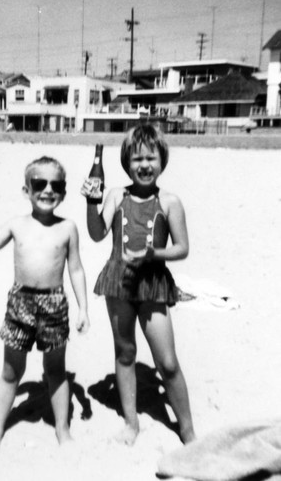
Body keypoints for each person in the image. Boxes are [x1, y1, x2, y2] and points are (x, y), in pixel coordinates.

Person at [81, 124, 195, 446]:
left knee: (168, 362)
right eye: (136, 160)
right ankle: (131, 424)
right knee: (125, 352)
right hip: (118, 281)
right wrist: (92, 202)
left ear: (162, 160)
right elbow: (96, 233)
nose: (144, 165)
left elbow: (182, 247)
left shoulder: (170, 201)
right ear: (126, 163)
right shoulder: (116, 194)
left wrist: (153, 254)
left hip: (153, 282)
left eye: (151, 158)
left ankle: (186, 429)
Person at [0, 156, 90, 449]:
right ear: (26, 190)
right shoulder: (16, 225)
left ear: (63, 192)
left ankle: (62, 431)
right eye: (39, 184)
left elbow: (75, 269)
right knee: (12, 371)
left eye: (56, 185)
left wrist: (84, 308)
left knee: (56, 371)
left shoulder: (68, 228)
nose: (47, 190)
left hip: (54, 304)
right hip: (20, 301)